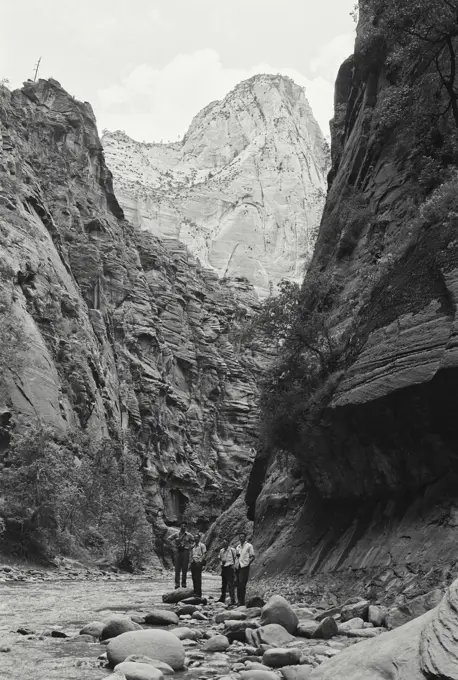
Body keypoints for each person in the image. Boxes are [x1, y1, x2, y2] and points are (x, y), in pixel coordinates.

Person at [172, 521, 194, 589]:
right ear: (180, 527)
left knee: (185, 569)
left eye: (184, 526)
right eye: (182, 526)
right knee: (177, 568)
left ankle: (184, 584)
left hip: (185, 552)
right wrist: (173, 546)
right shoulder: (176, 534)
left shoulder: (189, 535)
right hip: (178, 552)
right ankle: (177, 584)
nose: (183, 527)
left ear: (186, 527)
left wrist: (189, 547)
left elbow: (194, 542)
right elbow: (168, 539)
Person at [235, 532, 255, 605]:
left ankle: (242, 601)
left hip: (244, 566)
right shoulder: (238, 547)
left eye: (242, 537)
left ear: (245, 538)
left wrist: (248, 563)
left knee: (242, 583)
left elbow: (252, 556)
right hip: (238, 566)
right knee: (238, 584)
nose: (241, 538)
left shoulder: (249, 546)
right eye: (240, 537)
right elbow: (237, 557)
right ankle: (239, 600)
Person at [218, 537, 236, 605]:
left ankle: (232, 600)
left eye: (225, 543)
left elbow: (236, 558)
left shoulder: (232, 550)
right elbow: (220, 559)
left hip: (230, 567)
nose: (224, 544)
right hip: (224, 568)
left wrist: (234, 566)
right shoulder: (221, 550)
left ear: (228, 543)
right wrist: (221, 564)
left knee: (230, 584)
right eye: (223, 543)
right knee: (223, 584)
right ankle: (222, 598)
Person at [190, 532, 207, 597]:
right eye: (195, 538)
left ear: (199, 538)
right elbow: (192, 554)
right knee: (193, 578)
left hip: (198, 563)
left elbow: (204, 554)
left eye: (197, 537)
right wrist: (191, 560)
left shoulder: (202, 545)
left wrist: (200, 561)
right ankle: (195, 592)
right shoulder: (193, 546)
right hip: (193, 563)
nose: (195, 539)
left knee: (198, 578)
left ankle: (198, 593)